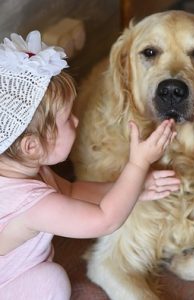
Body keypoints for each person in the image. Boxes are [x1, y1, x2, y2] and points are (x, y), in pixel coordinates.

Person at [0, 31, 180, 299]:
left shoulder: (25, 168)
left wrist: (134, 188)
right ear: (31, 146)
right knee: (51, 281)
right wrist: (138, 164)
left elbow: (73, 192)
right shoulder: (34, 205)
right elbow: (105, 220)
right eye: (67, 119)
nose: (76, 121)